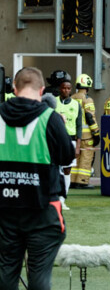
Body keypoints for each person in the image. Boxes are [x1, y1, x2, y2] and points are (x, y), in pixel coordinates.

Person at [0, 67, 75, 290]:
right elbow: (67, 156)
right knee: (40, 276)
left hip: (4, 208)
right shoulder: (49, 118)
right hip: (42, 208)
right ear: (42, 90)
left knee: (5, 274)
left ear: (14, 88)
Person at [54, 74, 81, 207]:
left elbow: (79, 125)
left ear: (71, 90)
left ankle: (63, 199)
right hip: (55, 139)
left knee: (67, 170)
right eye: (63, 88)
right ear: (60, 89)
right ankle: (54, 197)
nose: (66, 90)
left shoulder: (76, 105)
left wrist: (78, 145)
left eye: (68, 88)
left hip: (70, 140)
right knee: (55, 168)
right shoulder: (54, 102)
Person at [70, 74, 100, 188]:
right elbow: (90, 117)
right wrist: (96, 133)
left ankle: (72, 180)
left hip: (75, 135)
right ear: (88, 86)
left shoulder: (72, 98)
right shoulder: (87, 99)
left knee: (75, 158)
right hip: (87, 136)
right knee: (86, 159)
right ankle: (82, 181)